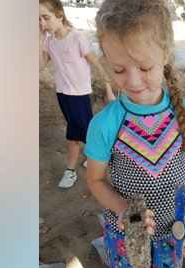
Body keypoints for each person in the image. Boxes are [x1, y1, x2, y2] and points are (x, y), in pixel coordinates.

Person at [85, 0, 185, 268]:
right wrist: (125, 210)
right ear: (106, 62)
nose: (133, 81)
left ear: (166, 55)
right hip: (127, 233)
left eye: (145, 67)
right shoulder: (104, 125)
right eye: (118, 69)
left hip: (171, 229)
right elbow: (96, 180)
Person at [39, 0, 115, 189]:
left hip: (79, 96)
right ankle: (93, 156)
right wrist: (40, 40)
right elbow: (40, 66)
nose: (42, 24)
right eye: (38, 20)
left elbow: (98, 65)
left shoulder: (77, 39)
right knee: (79, 131)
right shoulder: (49, 42)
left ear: (59, 15)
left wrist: (109, 91)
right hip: (62, 95)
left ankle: (72, 170)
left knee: (76, 134)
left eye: (46, 17)